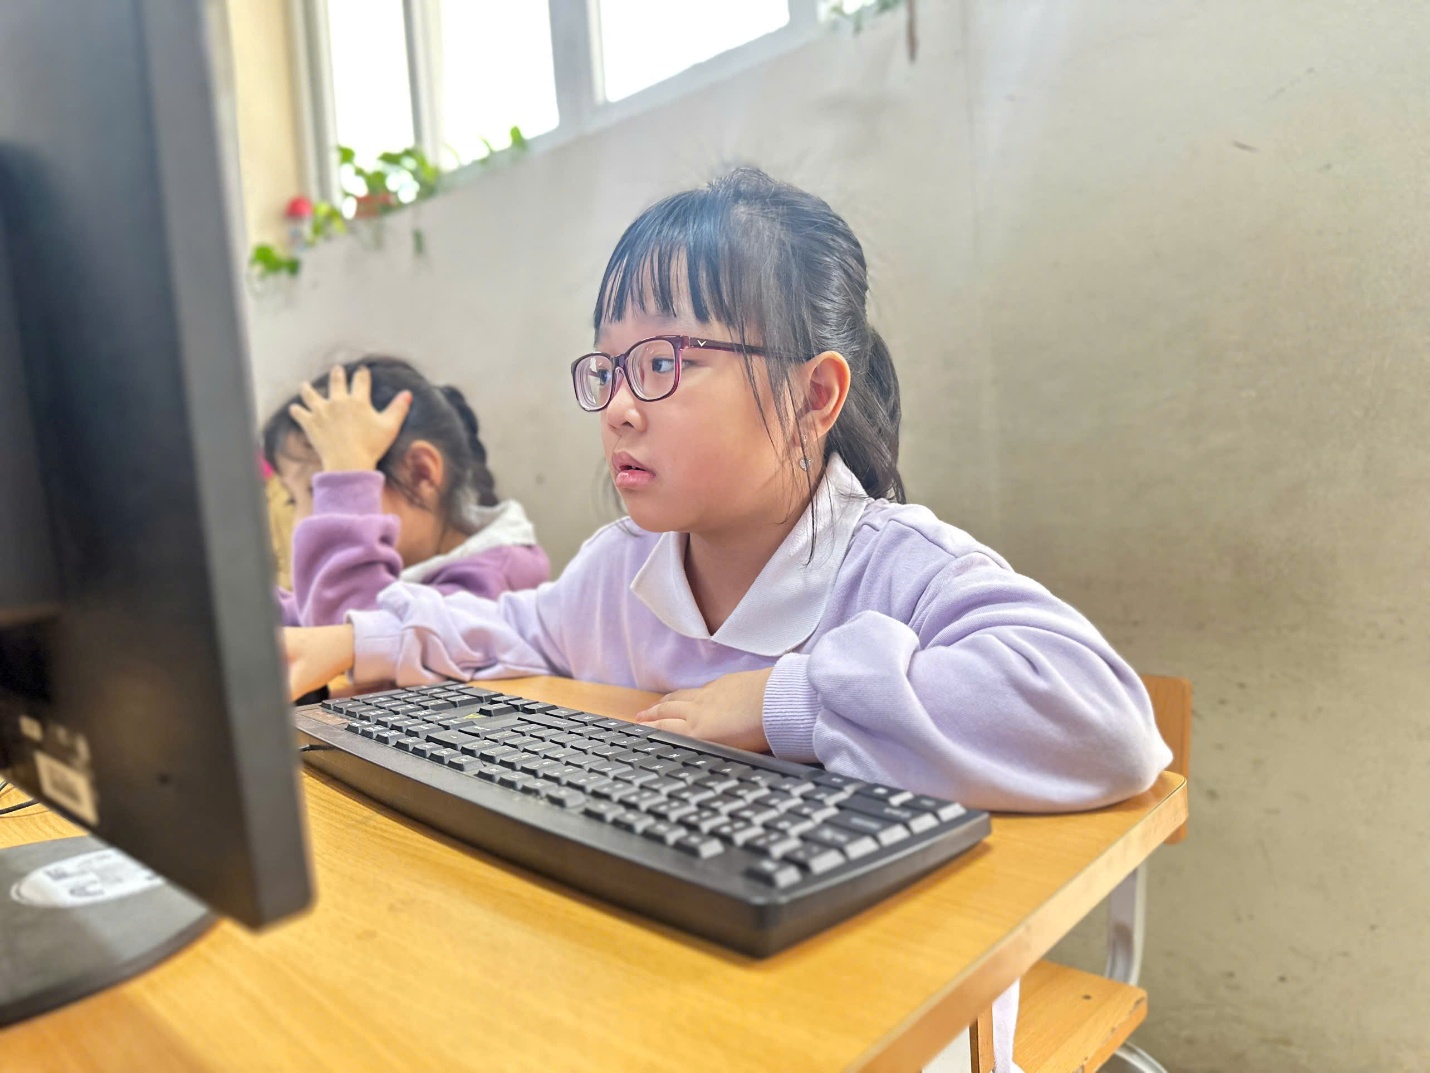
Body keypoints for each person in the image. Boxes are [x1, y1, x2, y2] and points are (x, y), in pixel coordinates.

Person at [283, 171, 1170, 1071]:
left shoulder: (896, 566)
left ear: (816, 396)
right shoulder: (621, 567)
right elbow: (520, 631)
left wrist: (792, 700)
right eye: (611, 368)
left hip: (891, 1023)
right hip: (683, 998)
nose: (621, 406)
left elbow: (1108, 721)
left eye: (665, 363)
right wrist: (367, 639)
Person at [264, 356, 549, 628]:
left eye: (325, 492)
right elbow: (309, 616)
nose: (302, 522)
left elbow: (353, 636)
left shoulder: (491, 582)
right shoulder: (407, 568)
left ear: (420, 473)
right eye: (293, 499)